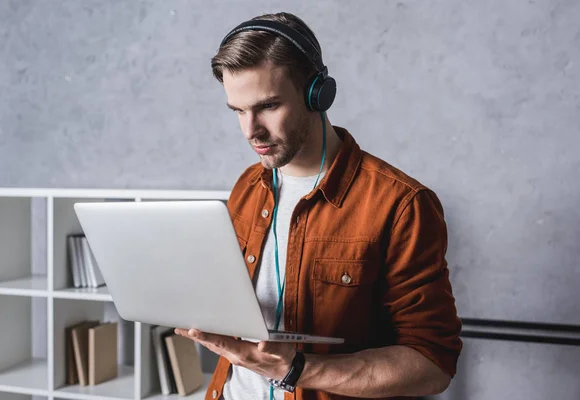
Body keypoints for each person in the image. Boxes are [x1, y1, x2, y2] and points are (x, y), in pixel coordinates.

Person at [174, 11, 463, 400]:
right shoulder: (247, 186)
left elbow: (432, 365)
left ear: (318, 94)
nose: (250, 131)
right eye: (239, 111)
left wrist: (298, 369)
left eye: (268, 106)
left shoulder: (402, 205)